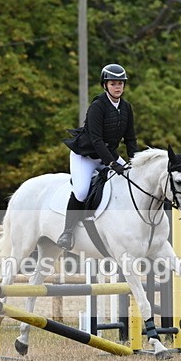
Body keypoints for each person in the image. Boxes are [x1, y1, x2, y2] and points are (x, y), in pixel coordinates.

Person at [58, 63, 138, 250]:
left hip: (108, 155)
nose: (117, 87)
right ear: (105, 86)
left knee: (130, 181)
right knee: (81, 192)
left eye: (120, 83)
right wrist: (112, 163)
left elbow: (131, 139)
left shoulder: (126, 108)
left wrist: (134, 163)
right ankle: (67, 231)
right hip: (85, 156)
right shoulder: (97, 106)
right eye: (113, 83)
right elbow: (96, 140)